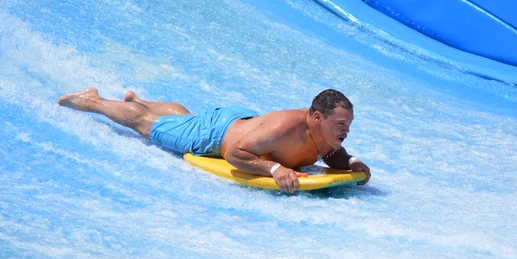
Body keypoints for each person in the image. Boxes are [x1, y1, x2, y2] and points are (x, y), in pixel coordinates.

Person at [57, 88, 371, 192]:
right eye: (341, 124)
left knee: (185, 122)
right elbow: (235, 154)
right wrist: (275, 170)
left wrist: (353, 163)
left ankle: (139, 99)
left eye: (349, 124)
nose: (346, 130)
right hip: (216, 136)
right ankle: (93, 101)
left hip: (240, 119)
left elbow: (333, 156)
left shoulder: (326, 133)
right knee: (144, 126)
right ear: (316, 117)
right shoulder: (284, 128)